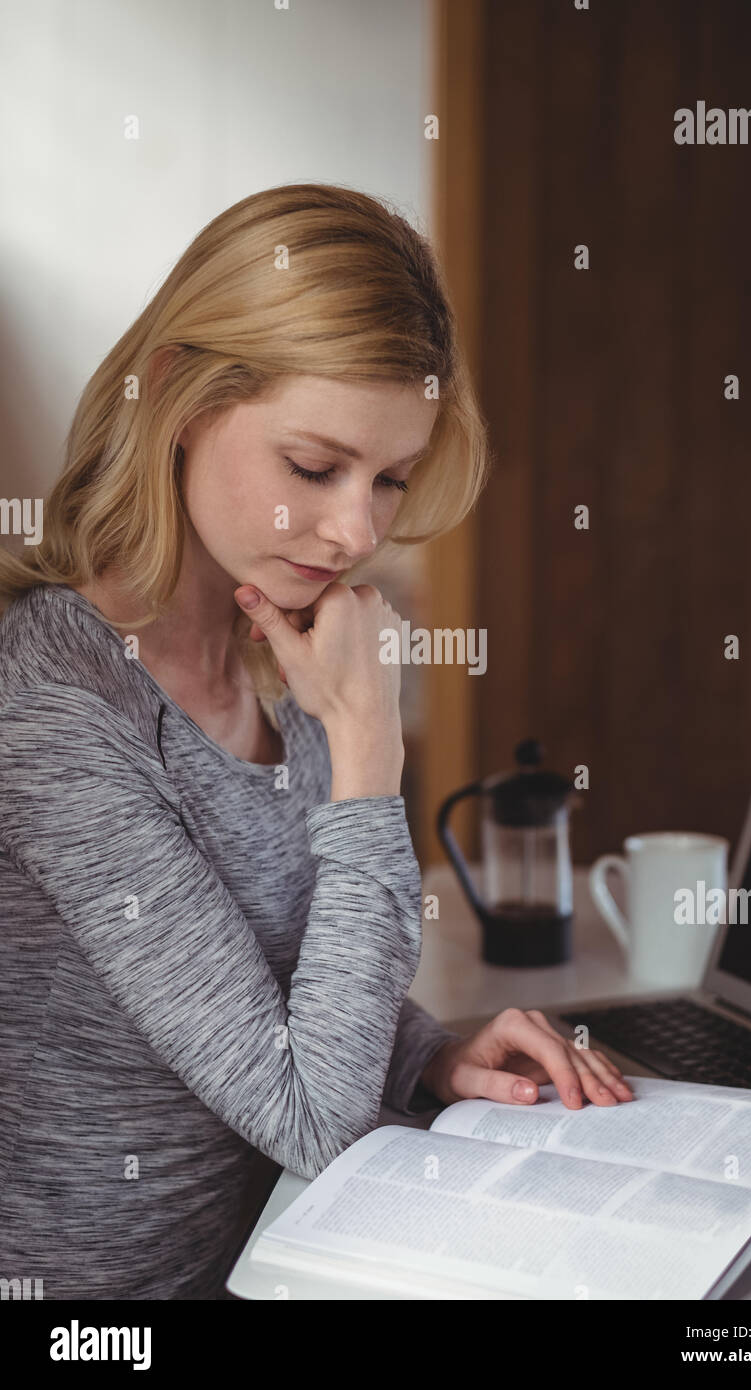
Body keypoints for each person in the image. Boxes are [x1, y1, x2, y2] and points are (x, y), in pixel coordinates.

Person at [0, 184, 632, 1300]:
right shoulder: (55, 711)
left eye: (389, 479)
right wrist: (367, 756)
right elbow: (312, 1117)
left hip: (283, 1262)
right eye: (313, 467)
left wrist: (428, 1050)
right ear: (181, 401)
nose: (355, 533)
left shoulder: (271, 635)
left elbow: (271, 1006)